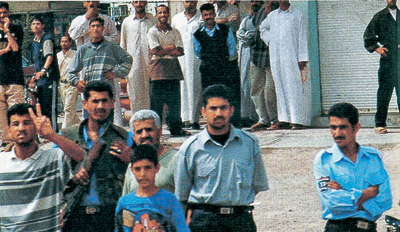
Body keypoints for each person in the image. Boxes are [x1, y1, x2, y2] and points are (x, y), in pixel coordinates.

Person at [175, 84, 269, 231]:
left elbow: (256, 185)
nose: (218, 113)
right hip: (204, 221)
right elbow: (181, 195)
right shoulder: (190, 148)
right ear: (203, 112)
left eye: (223, 108)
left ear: (231, 110)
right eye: (213, 108)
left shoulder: (249, 144)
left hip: (240, 221)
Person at [61, 80, 134, 232]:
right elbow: (56, 175)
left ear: (113, 103)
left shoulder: (124, 137)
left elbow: (140, 175)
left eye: (104, 101)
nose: (100, 106)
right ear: (85, 104)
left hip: (110, 214)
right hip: (75, 214)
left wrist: (131, 160)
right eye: (95, 101)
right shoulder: (68, 137)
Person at [0, 103, 85, 231]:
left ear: (36, 127)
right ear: (9, 130)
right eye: (16, 124)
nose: (21, 128)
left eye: (27, 123)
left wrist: (51, 135)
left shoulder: (54, 159)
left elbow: (81, 156)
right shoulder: (1, 163)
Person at [313, 103, 392, 232]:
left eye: (343, 127)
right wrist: (368, 194)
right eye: (333, 127)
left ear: (356, 128)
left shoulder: (372, 158)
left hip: (368, 228)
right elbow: (332, 202)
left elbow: (385, 200)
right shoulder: (324, 160)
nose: (337, 133)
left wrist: (344, 192)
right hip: (337, 228)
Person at [68, 17, 132, 127]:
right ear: (89, 29)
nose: (96, 29)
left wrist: (116, 73)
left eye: (98, 26)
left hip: (107, 91)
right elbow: (71, 70)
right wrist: (77, 82)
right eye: (93, 26)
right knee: (91, 125)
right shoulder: (84, 49)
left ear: (103, 28)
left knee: (107, 124)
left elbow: (128, 59)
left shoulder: (111, 46)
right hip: (90, 91)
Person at [260, 0, 311, 129]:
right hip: (277, 57)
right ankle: (284, 119)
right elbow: (262, 28)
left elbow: (303, 36)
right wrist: (270, 39)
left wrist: (302, 58)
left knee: (294, 87)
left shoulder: (298, 14)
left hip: (293, 57)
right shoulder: (272, 16)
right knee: (280, 87)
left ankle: (297, 120)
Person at [115, 144, 190, 232]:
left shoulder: (170, 200)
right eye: (137, 169)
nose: (143, 174)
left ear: (157, 168)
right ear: (132, 170)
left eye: (147, 168)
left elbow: (182, 228)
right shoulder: (124, 202)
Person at [194, 3, 241, 127]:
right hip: (207, 69)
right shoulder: (198, 34)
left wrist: (224, 62)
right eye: (205, 15)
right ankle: (213, 121)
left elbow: (232, 49)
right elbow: (197, 52)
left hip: (224, 68)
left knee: (226, 94)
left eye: (210, 14)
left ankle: (231, 123)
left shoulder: (225, 30)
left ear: (214, 14)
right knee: (209, 95)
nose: (208, 17)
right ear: (202, 16)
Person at [147, 5, 190, 136]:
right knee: (156, 104)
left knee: (174, 103)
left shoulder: (175, 31)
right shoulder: (152, 31)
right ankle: (155, 131)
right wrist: (171, 47)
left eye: (165, 12)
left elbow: (180, 51)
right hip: (158, 71)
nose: (163, 15)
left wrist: (163, 50)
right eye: (160, 13)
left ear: (169, 14)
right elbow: (155, 50)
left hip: (173, 70)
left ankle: (176, 129)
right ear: (156, 15)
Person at [119, 109, 177, 194]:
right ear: (134, 137)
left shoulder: (176, 160)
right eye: (139, 131)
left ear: (160, 131)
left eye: (149, 130)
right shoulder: (133, 164)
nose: (145, 135)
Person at [242, 1, 280, 131]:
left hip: (272, 55)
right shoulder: (260, 13)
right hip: (257, 54)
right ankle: (263, 119)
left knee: (270, 90)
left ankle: (275, 119)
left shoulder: (280, 10)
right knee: (256, 88)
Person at [363, 0, 399, 134]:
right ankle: (380, 123)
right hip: (388, 59)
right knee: (384, 92)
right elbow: (368, 36)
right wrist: (377, 48)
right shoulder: (379, 17)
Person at [120, 1, 156, 113]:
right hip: (133, 63)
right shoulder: (127, 22)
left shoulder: (153, 20)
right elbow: (123, 44)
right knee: (135, 92)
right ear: (132, 3)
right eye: (136, 1)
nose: (139, 4)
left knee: (152, 92)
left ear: (146, 3)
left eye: (141, 1)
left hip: (151, 62)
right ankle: (137, 120)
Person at [171, 0, 202, 130]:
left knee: (195, 86)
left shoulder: (201, 17)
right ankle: (183, 118)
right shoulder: (176, 19)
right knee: (182, 86)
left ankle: (194, 119)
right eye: (187, 1)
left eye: (193, 1)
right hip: (180, 57)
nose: (190, 3)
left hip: (196, 58)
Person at [0, 1, 25, 146]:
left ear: (9, 13)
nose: (2, 16)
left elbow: (15, 48)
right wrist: (5, 50)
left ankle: (19, 142)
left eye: (4, 13)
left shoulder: (17, 28)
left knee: (16, 114)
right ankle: (7, 143)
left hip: (14, 79)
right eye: (0, 14)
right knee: (1, 117)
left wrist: (7, 30)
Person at [31, 16, 60, 130]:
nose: (35, 26)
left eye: (38, 23)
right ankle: (47, 132)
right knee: (42, 106)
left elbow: (49, 56)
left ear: (43, 26)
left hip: (49, 77)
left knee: (50, 107)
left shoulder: (46, 39)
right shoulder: (34, 41)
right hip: (40, 80)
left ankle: (54, 132)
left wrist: (43, 70)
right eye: (33, 24)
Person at [57, 35, 80, 130]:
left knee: (68, 109)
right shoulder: (57, 56)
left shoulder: (75, 55)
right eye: (62, 41)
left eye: (66, 41)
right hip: (61, 85)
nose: (64, 43)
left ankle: (64, 132)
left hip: (72, 84)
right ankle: (80, 127)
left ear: (70, 43)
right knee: (71, 112)